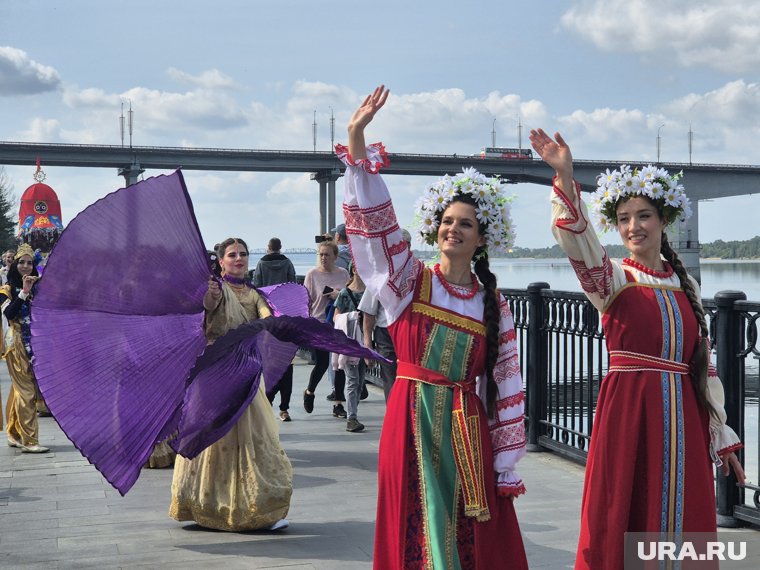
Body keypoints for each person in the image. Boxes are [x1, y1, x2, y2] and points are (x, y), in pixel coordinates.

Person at [529, 128, 746, 569]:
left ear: (663, 221)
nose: (633, 227)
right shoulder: (611, 279)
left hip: (683, 415)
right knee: (622, 512)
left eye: (643, 216)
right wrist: (566, 178)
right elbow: (577, 240)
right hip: (629, 412)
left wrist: (721, 435)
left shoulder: (687, 287)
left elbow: (702, 367)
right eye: (624, 218)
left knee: (684, 518)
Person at [342, 86, 528, 569]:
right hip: (411, 419)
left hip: (466, 428)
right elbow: (375, 230)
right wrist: (357, 140)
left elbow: (507, 384)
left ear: (482, 238)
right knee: (413, 523)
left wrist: (505, 461)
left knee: (467, 531)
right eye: (447, 221)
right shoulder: (408, 282)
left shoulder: (494, 305)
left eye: (466, 224)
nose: (454, 229)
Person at [169, 237, 292, 531]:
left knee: (254, 439)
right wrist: (208, 295)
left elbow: (268, 318)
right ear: (221, 261)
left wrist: (281, 323)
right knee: (212, 438)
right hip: (214, 372)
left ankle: (255, 506)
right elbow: (208, 305)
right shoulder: (216, 289)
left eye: (244, 254)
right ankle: (207, 506)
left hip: (246, 373)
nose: (239, 258)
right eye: (232, 255)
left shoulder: (255, 294)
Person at [3, 243, 48, 453]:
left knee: (21, 389)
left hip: (36, 343)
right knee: (27, 392)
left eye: (29, 263)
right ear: (14, 265)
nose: (25, 266)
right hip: (17, 344)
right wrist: (24, 292)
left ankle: (13, 432)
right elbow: (9, 314)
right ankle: (30, 441)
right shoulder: (7, 289)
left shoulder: (39, 287)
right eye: (21, 262)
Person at [359, 227, 411, 402]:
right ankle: (394, 419)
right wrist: (368, 343)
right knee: (392, 380)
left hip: (412, 332)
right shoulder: (380, 274)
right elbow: (369, 311)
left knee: (411, 381)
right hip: (386, 334)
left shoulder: (419, 274)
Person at [302, 241, 349, 415]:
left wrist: (338, 294)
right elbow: (305, 300)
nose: (323, 258)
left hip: (338, 323)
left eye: (327, 255)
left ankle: (338, 403)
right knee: (322, 363)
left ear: (335, 257)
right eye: (321, 254)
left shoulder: (343, 274)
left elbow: (349, 296)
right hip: (319, 323)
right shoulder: (312, 274)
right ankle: (310, 391)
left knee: (339, 364)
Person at [253, 237, 297, 421]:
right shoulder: (287, 263)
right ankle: (284, 408)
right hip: (285, 316)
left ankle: (267, 401)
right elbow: (293, 286)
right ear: (280, 248)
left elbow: (256, 287)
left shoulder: (261, 264)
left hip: (267, 317)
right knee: (287, 362)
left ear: (268, 248)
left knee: (268, 361)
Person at [332, 271, 367, 432]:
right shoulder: (345, 293)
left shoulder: (369, 292)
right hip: (349, 342)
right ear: (354, 270)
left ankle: (353, 413)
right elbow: (336, 317)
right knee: (353, 380)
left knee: (359, 383)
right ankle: (351, 418)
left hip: (365, 342)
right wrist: (353, 317)